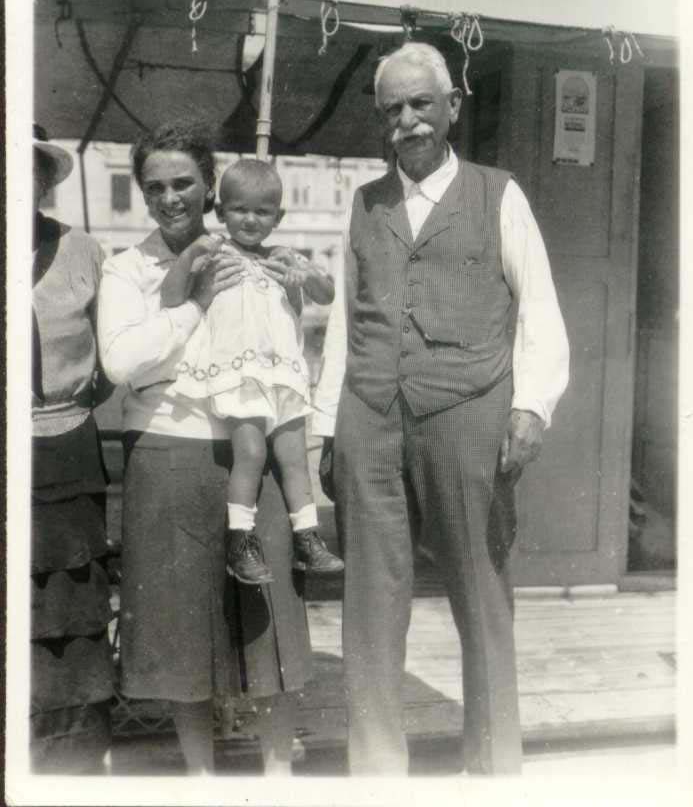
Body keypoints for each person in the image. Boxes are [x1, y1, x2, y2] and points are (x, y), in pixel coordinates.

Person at [312, 43, 570, 775]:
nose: (409, 121)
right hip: (369, 416)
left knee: (482, 594)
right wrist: (329, 426)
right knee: (370, 603)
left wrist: (533, 407)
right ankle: (377, 773)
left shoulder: (499, 195)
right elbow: (344, 324)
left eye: (422, 103)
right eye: (393, 109)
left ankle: (493, 769)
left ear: (453, 105)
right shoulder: (365, 204)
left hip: (469, 415)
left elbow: (541, 308)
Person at [97, 119, 312, 774]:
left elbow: (283, 346)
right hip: (165, 452)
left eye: (184, 183)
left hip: (248, 453)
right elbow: (121, 362)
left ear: (210, 187)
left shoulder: (252, 255)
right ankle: (201, 779)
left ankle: (279, 775)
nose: (170, 198)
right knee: (182, 633)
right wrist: (192, 307)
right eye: (155, 186)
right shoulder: (126, 269)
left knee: (269, 621)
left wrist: (291, 294)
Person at [162, 157, 344, 585]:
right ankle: (240, 541)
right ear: (221, 211)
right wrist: (189, 256)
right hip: (239, 374)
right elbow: (170, 298)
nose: (250, 219)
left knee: (295, 457)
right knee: (252, 452)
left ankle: (308, 538)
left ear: (278, 217)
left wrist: (305, 275)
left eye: (262, 212)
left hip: (283, 374)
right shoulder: (213, 254)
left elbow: (327, 294)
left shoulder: (282, 258)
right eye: (239, 209)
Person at [31, 124, 115, 772]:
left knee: (73, 601)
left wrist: (76, 398)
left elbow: (111, 357)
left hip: (67, 448)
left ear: (44, 181)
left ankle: (73, 757)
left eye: (28, 169)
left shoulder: (83, 251)